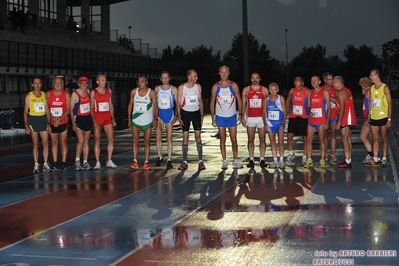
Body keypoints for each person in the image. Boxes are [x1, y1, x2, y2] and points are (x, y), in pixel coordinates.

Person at [210, 65, 243, 170]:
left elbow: (239, 100)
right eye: (222, 72)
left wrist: (241, 114)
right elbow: (212, 102)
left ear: (229, 73)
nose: (224, 74)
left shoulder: (234, 86)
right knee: (222, 139)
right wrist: (212, 117)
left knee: (234, 139)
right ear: (219, 73)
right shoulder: (215, 87)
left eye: (226, 72)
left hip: (232, 116)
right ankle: (224, 161)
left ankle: (236, 160)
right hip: (220, 116)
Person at [176, 69, 205, 171]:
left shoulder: (198, 87)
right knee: (185, 138)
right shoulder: (182, 88)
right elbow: (179, 102)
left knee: (198, 137)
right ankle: (184, 162)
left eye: (196, 76)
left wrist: (202, 115)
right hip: (185, 114)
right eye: (195, 76)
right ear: (189, 77)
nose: (196, 78)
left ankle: (201, 161)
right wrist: (179, 117)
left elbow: (200, 101)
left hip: (196, 113)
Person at [128, 75, 158, 170]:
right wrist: (129, 119)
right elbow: (130, 105)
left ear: (146, 82)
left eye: (142, 81)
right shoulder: (134, 92)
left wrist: (155, 119)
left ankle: (146, 162)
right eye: (139, 81)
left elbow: (155, 106)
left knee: (147, 141)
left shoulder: (151, 92)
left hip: (147, 120)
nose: (140, 83)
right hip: (136, 120)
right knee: (135, 140)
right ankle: (135, 161)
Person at [24, 77, 51, 173]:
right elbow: (25, 112)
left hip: (43, 120)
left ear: (41, 84)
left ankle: (45, 164)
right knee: (35, 143)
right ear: (32, 85)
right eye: (35, 83)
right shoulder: (29, 96)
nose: (37, 85)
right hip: (33, 120)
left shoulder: (44, 95)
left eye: (39, 83)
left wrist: (49, 123)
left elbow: (47, 110)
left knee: (45, 143)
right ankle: (36, 164)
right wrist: (26, 126)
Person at [365, 69, 392, 167]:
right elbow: (371, 103)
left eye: (371, 75)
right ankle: (376, 158)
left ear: (377, 75)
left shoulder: (385, 87)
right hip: (374, 117)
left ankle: (384, 158)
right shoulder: (372, 88)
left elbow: (389, 103)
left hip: (383, 117)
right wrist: (368, 117)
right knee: (374, 138)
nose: (370, 77)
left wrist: (389, 119)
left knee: (384, 137)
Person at [242, 72, 269, 168]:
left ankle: (262, 159)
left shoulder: (265, 90)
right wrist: (242, 117)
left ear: (259, 79)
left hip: (261, 119)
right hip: (250, 118)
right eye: (253, 78)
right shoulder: (246, 90)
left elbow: (267, 105)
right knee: (250, 139)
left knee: (262, 139)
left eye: (257, 78)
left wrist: (267, 120)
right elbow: (243, 104)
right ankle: (251, 159)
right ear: (250, 79)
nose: (255, 80)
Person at [90, 74, 117, 169]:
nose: (104, 82)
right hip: (98, 118)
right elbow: (91, 107)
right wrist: (94, 121)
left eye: (105, 80)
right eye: (102, 80)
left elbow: (110, 105)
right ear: (97, 82)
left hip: (107, 118)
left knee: (111, 139)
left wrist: (113, 118)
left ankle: (109, 160)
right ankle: (97, 162)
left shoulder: (108, 90)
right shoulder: (93, 92)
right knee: (97, 140)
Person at [303, 76, 330, 168]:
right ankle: (309, 159)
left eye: (315, 80)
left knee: (322, 140)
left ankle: (322, 159)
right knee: (308, 140)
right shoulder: (310, 93)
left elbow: (329, 108)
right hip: (312, 121)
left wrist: (327, 122)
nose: (313, 82)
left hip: (321, 120)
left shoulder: (325, 92)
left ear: (319, 81)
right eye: (311, 80)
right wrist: (308, 112)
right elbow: (308, 106)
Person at [154, 71, 178, 169]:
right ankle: (159, 156)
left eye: (167, 78)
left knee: (169, 137)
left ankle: (169, 159)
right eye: (163, 78)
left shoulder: (173, 89)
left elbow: (177, 103)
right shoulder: (157, 89)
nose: (165, 79)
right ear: (160, 79)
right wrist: (154, 116)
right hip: (159, 113)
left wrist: (177, 115)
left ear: (169, 78)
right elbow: (154, 103)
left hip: (169, 113)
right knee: (158, 136)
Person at [47, 77, 70, 171]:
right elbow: (47, 109)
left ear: (62, 84)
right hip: (53, 122)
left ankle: (63, 163)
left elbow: (68, 110)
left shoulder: (66, 94)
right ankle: (55, 163)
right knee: (54, 143)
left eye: (60, 83)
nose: (58, 85)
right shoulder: (48, 94)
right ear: (53, 84)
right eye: (56, 83)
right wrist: (53, 119)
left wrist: (60, 119)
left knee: (63, 142)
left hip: (63, 121)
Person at [285, 77, 310, 165]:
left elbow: (311, 103)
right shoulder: (292, 91)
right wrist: (288, 111)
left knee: (305, 138)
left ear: (302, 83)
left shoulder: (307, 91)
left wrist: (310, 111)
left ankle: (304, 156)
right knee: (289, 136)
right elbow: (287, 100)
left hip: (304, 117)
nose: (298, 87)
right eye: (296, 84)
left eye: (299, 85)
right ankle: (291, 153)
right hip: (294, 116)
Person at [334, 76, 357, 168]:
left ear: (340, 83)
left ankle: (347, 161)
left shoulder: (341, 92)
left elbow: (342, 108)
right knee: (347, 139)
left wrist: (339, 122)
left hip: (346, 118)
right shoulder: (346, 90)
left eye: (334, 83)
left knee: (344, 139)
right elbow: (339, 102)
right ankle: (348, 159)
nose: (333, 84)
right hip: (350, 117)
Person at [70, 76, 92, 170]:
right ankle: (77, 160)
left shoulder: (89, 92)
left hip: (87, 118)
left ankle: (85, 161)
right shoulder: (75, 94)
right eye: (82, 83)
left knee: (86, 141)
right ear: (79, 84)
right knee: (81, 140)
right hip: (78, 118)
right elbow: (70, 110)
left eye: (86, 83)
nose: (84, 85)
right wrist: (73, 123)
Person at [266, 82, 287, 169]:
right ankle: (275, 160)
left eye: (275, 89)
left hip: (279, 124)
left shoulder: (281, 98)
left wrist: (283, 123)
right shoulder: (266, 100)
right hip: (270, 124)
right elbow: (263, 112)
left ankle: (281, 161)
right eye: (271, 89)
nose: (273, 91)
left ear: (278, 90)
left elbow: (285, 112)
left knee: (281, 142)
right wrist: (265, 124)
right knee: (272, 142)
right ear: (269, 90)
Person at [322, 72, 338, 163]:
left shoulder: (335, 89)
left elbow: (337, 101)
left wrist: (329, 97)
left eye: (332, 79)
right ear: (325, 80)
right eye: (329, 79)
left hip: (333, 116)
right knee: (324, 136)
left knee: (333, 134)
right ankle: (324, 153)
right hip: (324, 116)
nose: (332, 81)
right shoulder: (321, 89)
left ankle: (333, 153)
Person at [358, 77, 373, 164]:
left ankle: (370, 155)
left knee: (363, 136)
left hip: (368, 118)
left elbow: (370, 105)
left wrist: (368, 118)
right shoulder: (369, 91)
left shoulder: (369, 93)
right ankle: (375, 155)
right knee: (371, 137)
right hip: (368, 117)